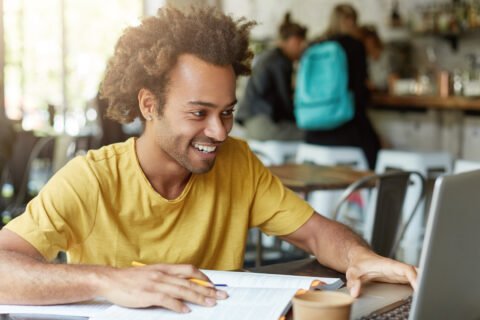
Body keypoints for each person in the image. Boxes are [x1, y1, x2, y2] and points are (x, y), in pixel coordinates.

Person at [0, 6, 416, 314]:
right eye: (199, 113)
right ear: (149, 105)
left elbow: (318, 235)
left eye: (227, 112)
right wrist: (107, 280)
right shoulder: (91, 180)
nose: (220, 132)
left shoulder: (237, 163)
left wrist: (358, 257)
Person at [304, 4, 381, 169]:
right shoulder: (354, 46)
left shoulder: (315, 44)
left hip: (313, 130)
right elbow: (360, 91)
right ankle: (367, 190)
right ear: (351, 21)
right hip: (344, 124)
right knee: (375, 150)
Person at [236, 13, 306, 141]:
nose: (303, 48)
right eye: (300, 43)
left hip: (251, 122)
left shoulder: (270, 57)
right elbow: (285, 101)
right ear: (293, 40)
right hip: (262, 123)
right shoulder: (280, 62)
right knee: (310, 135)